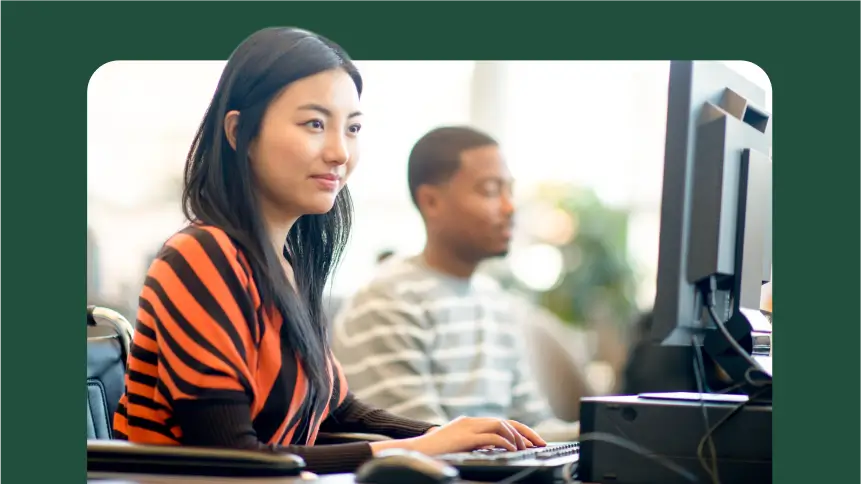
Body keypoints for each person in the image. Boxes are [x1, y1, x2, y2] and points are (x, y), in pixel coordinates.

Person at [112, 28, 546, 475]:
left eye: (352, 128)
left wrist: (454, 436)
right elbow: (233, 458)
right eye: (314, 124)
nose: (340, 152)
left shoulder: (289, 267)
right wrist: (422, 447)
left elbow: (340, 409)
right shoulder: (199, 258)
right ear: (240, 131)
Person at [332, 126, 580, 441]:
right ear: (431, 201)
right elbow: (424, 443)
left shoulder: (495, 301)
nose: (509, 207)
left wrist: (606, 433)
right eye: (491, 190)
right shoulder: (387, 301)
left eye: (510, 191)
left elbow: (533, 429)